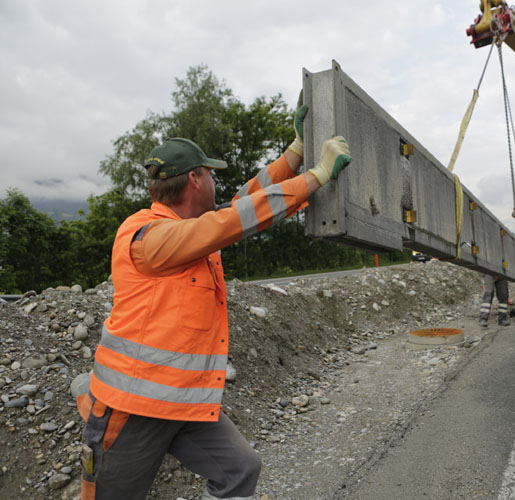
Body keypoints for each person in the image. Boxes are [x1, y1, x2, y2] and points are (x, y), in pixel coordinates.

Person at [75, 99, 352, 499]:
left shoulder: (190, 227)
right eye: (210, 175)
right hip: (130, 409)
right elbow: (231, 221)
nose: (215, 184)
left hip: (182, 403)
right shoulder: (145, 236)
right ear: (194, 180)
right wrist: (317, 176)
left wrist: (294, 154)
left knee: (240, 469)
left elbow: (243, 202)